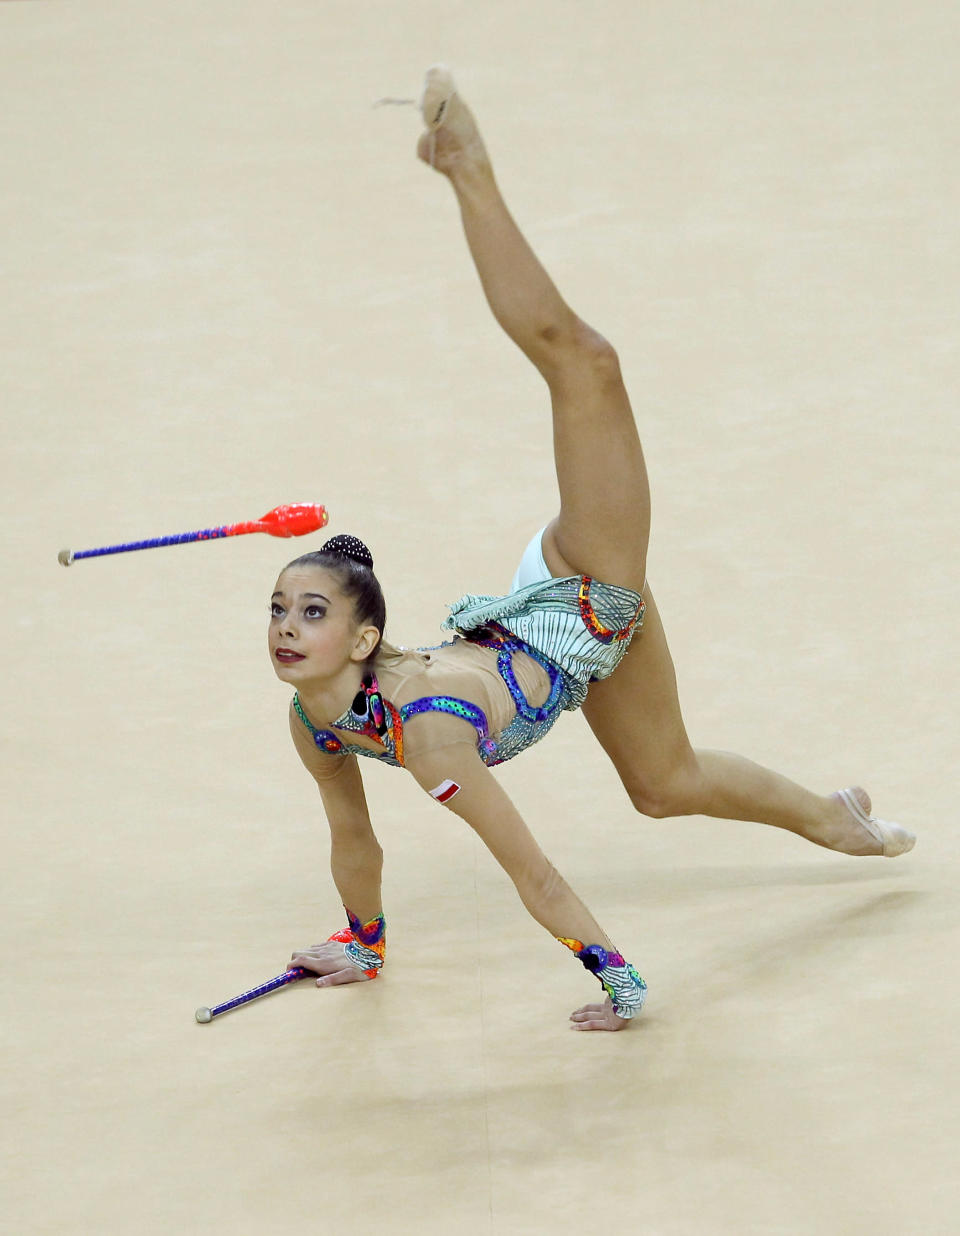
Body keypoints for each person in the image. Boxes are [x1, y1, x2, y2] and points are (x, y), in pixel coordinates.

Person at [273, 67, 915, 1032]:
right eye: (280, 611)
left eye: (312, 611)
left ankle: (467, 168)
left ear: (366, 640)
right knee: (666, 786)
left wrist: (620, 983)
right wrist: (362, 946)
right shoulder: (317, 723)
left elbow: (529, 867)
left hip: (584, 594)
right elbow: (352, 836)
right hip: (568, 653)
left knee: (584, 361)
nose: (285, 627)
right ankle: (840, 819)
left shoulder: (427, 737)